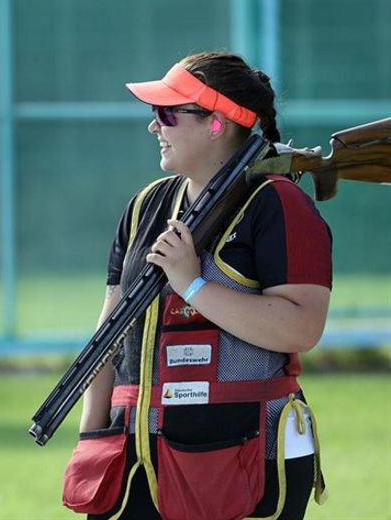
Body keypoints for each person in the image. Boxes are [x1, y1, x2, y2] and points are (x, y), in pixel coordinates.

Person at [62, 52, 331, 520]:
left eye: (168, 113)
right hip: (134, 459)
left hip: (245, 459)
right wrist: (92, 441)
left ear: (217, 123)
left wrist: (192, 284)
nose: (154, 126)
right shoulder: (146, 204)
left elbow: (301, 326)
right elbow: (107, 339)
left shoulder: (278, 204)